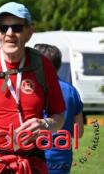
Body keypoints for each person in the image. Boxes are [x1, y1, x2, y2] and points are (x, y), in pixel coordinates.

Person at [0, 2, 66, 174]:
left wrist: (46, 124)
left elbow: (59, 117)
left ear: (29, 32)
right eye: (3, 28)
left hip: (32, 165)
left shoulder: (42, 65)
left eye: (17, 27)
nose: (10, 34)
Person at [34, 43, 84, 174]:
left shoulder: (31, 90)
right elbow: (78, 132)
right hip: (62, 160)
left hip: (35, 158)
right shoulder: (71, 91)